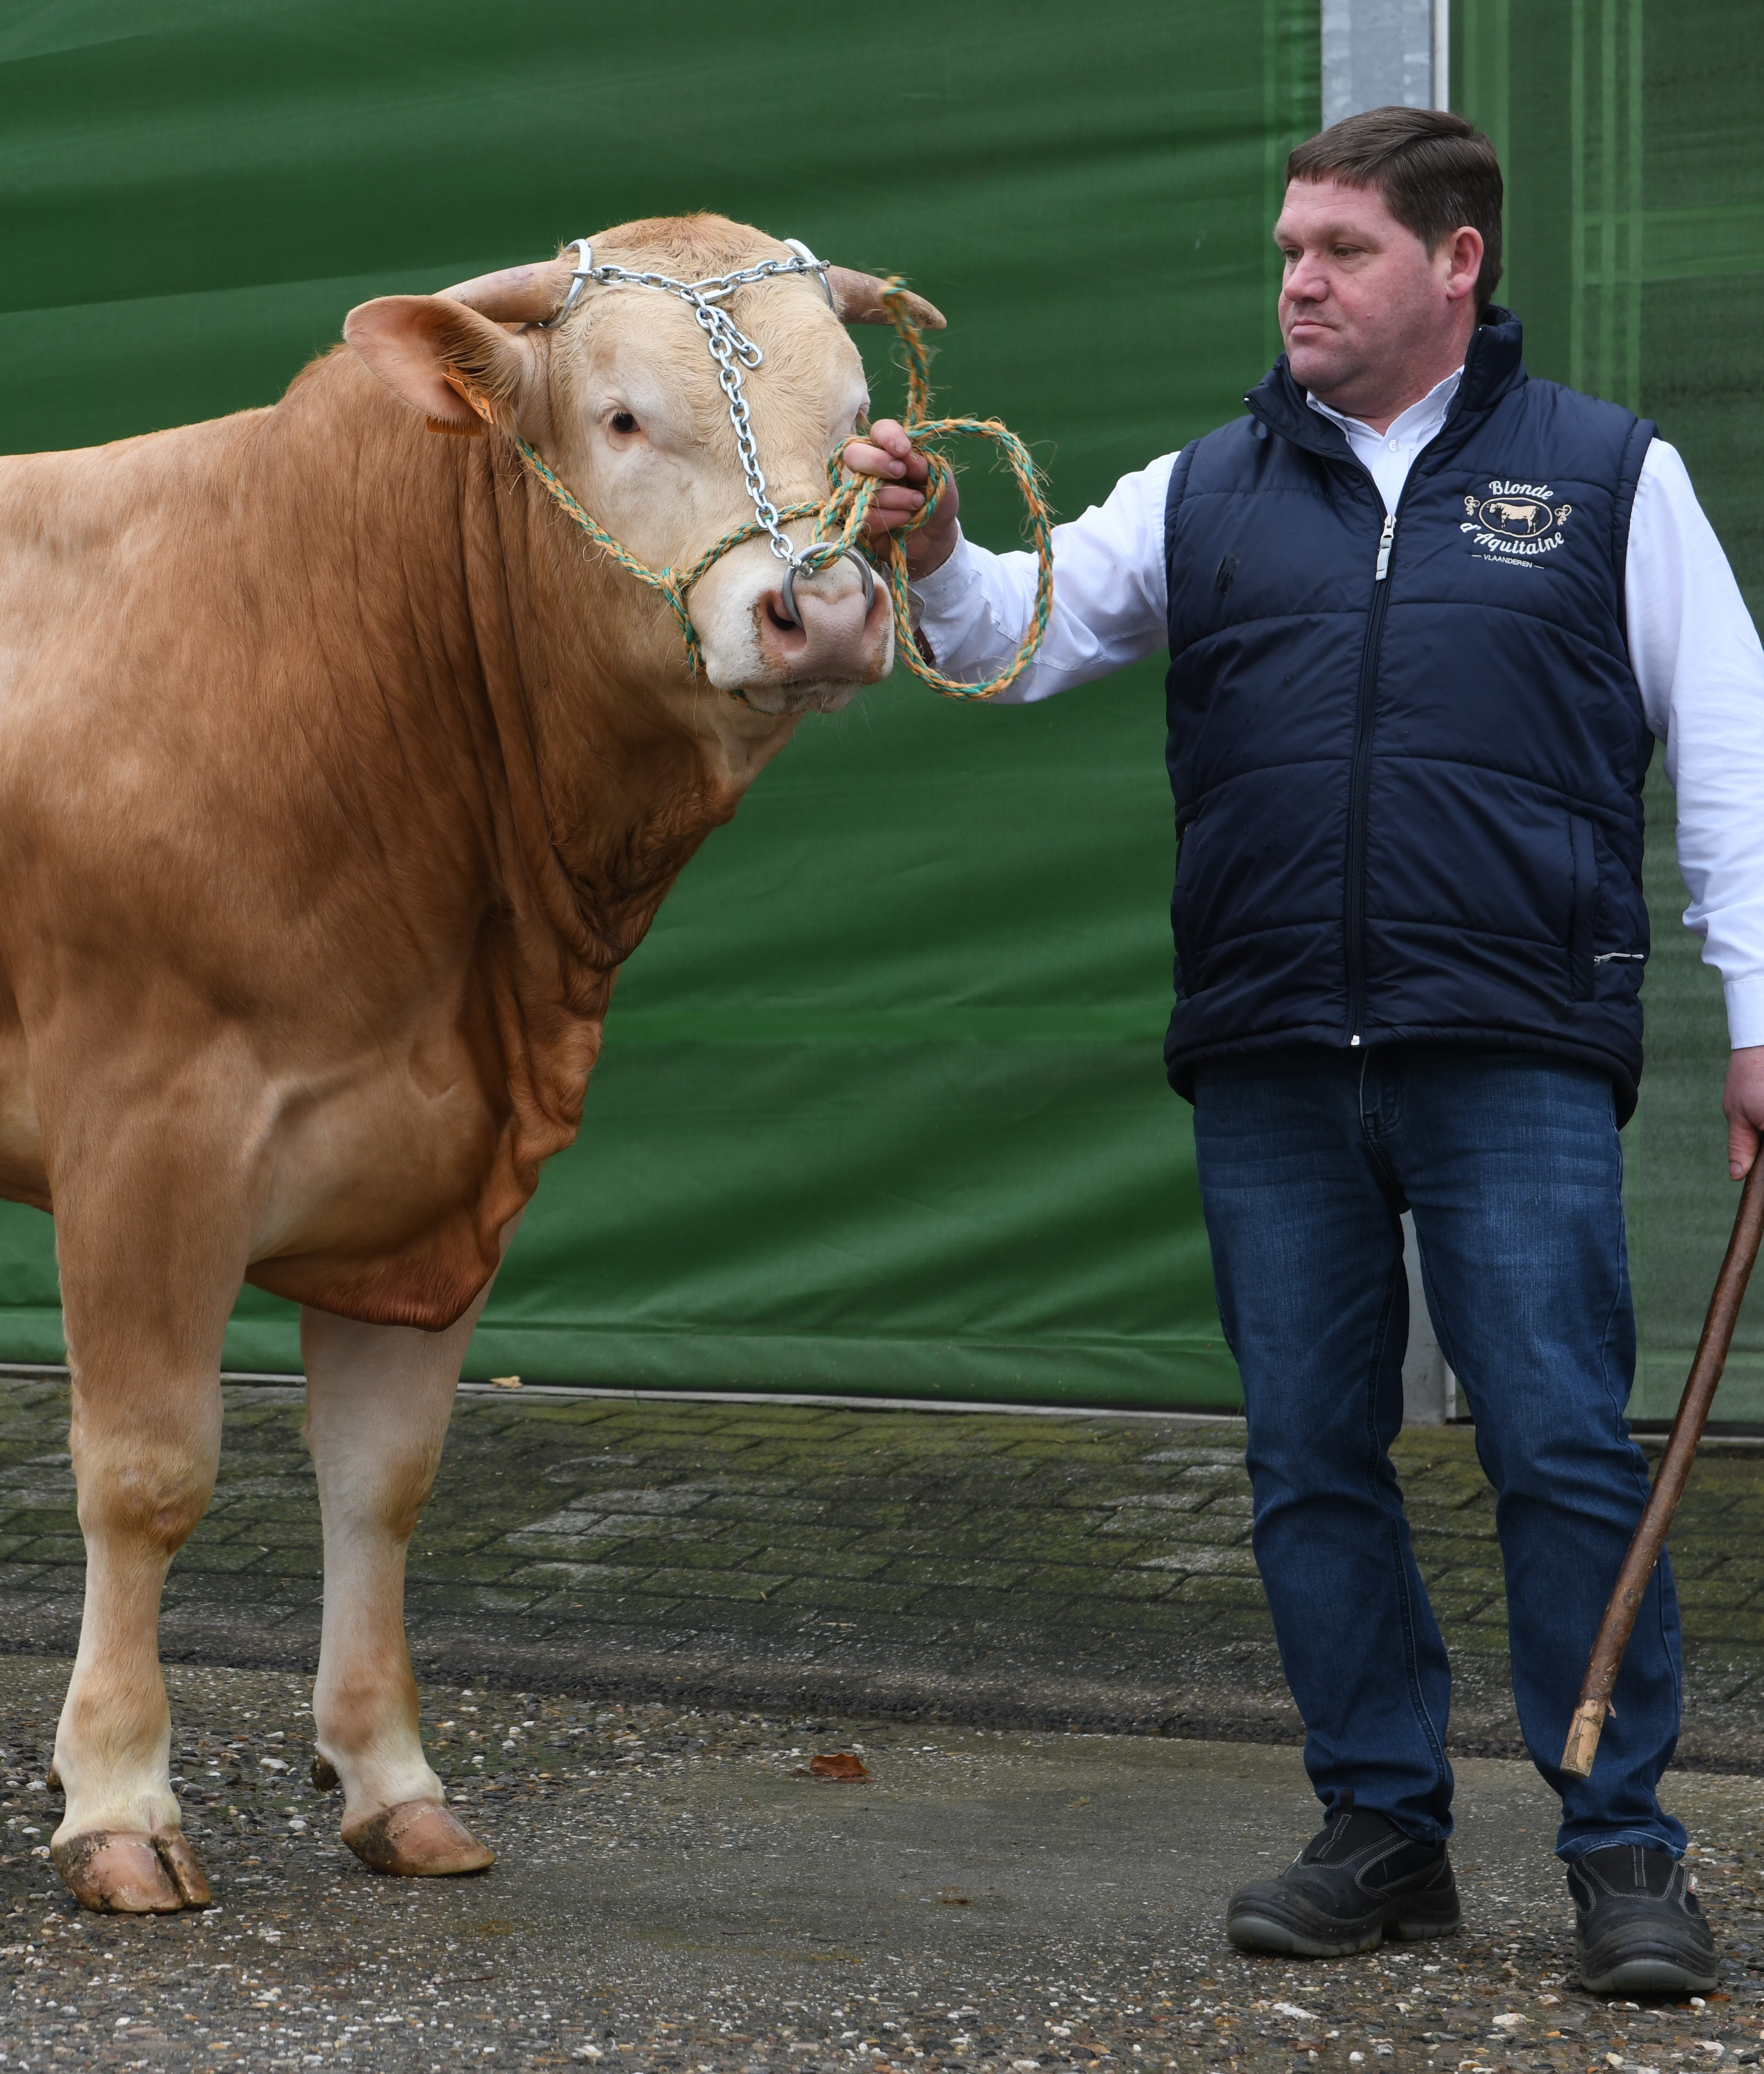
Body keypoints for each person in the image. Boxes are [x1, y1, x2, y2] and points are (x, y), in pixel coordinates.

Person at [845, 105, 1764, 1993]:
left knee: (1561, 1449)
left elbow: (1735, 754)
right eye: (1287, 250)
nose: (1298, 282)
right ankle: (1383, 1836)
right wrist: (936, 540)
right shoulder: (1207, 487)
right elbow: (1016, 632)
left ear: (1458, 264)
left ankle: (1627, 1856)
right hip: (1269, 1050)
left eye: (1340, 249)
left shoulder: (1607, 475)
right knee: (1308, 1459)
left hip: (1511, 1043)